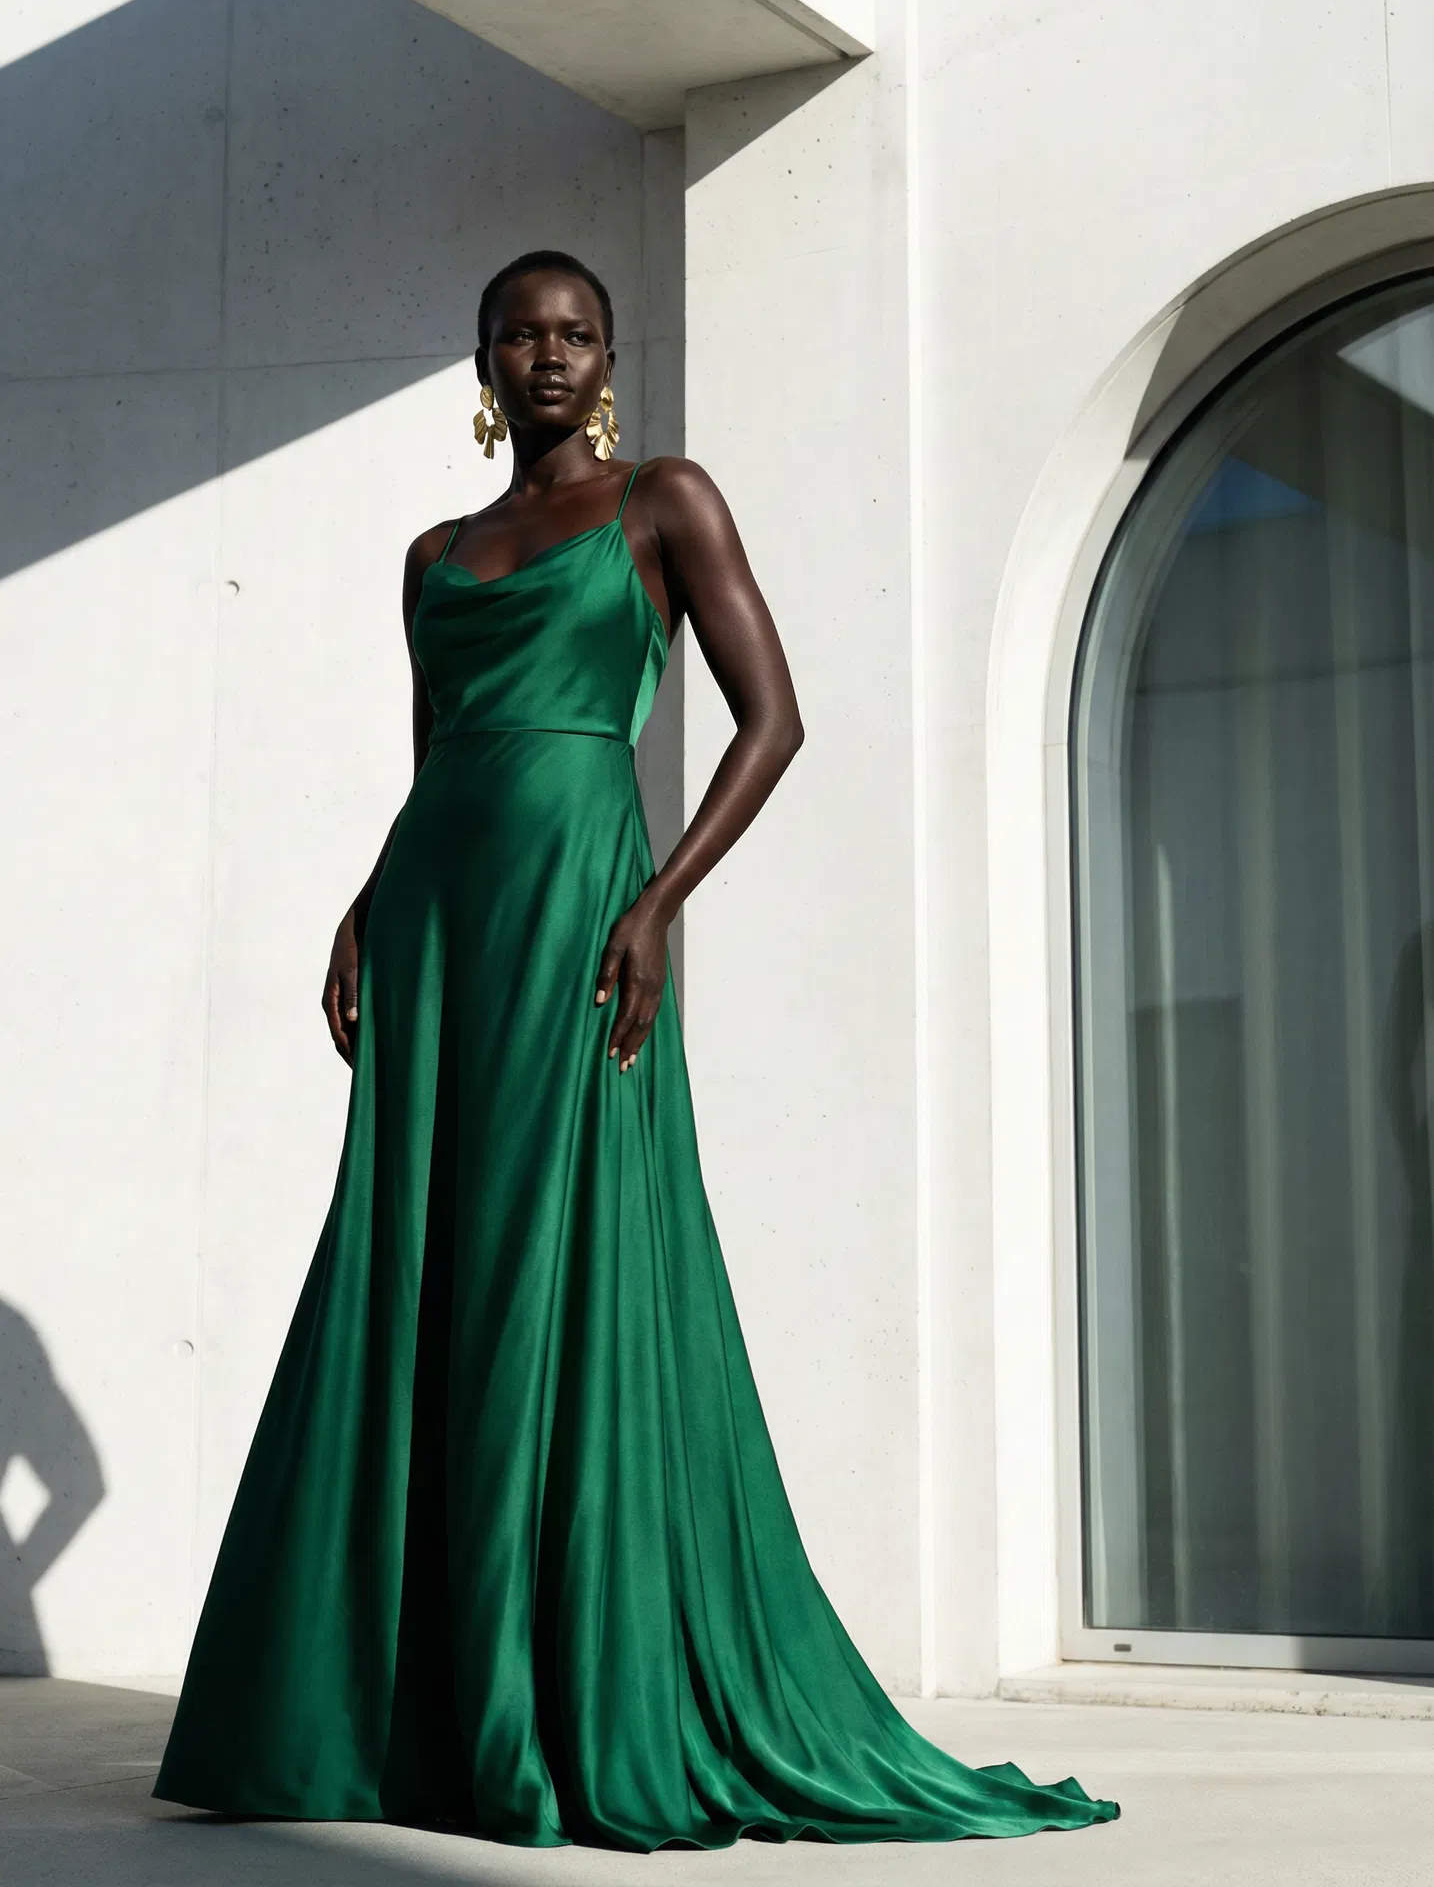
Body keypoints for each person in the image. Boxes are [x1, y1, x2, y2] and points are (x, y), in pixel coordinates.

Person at [153, 250, 1118, 1850]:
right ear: (480, 363)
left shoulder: (664, 502)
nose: (548, 355)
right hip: (443, 927)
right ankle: (413, 1711)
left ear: (610, 359)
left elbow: (773, 719)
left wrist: (659, 898)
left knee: (555, 1265)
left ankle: (568, 1692)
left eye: (576, 334)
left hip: (583, 911)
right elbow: (437, 762)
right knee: (424, 1270)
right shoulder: (433, 556)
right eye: (519, 335)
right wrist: (359, 909)